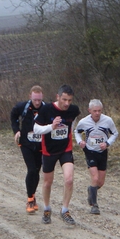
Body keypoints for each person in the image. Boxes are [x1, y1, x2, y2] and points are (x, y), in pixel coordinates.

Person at [33, 84, 80, 225]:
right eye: (64, 100)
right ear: (57, 97)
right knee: (48, 182)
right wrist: (51, 127)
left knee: (69, 179)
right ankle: (47, 208)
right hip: (49, 150)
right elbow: (36, 128)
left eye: (70, 100)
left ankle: (65, 210)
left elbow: (72, 123)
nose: (67, 103)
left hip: (65, 149)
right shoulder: (46, 109)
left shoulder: (73, 110)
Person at [74, 99, 118, 215]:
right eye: (95, 111)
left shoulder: (108, 120)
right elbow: (76, 132)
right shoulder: (84, 122)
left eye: (99, 111)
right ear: (89, 111)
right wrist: (80, 142)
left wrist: (107, 143)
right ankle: (94, 205)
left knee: (100, 182)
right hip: (89, 150)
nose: (97, 113)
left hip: (102, 152)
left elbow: (115, 133)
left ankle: (91, 190)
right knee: (95, 177)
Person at [10, 85, 45, 213]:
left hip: (41, 146)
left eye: (39, 100)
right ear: (30, 96)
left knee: (36, 171)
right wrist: (16, 131)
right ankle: (30, 199)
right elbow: (13, 116)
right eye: (35, 99)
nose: (37, 102)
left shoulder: (46, 108)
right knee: (31, 170)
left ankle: (33, 195)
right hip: (26, 144)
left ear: (42, 97)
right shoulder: (22, 107)